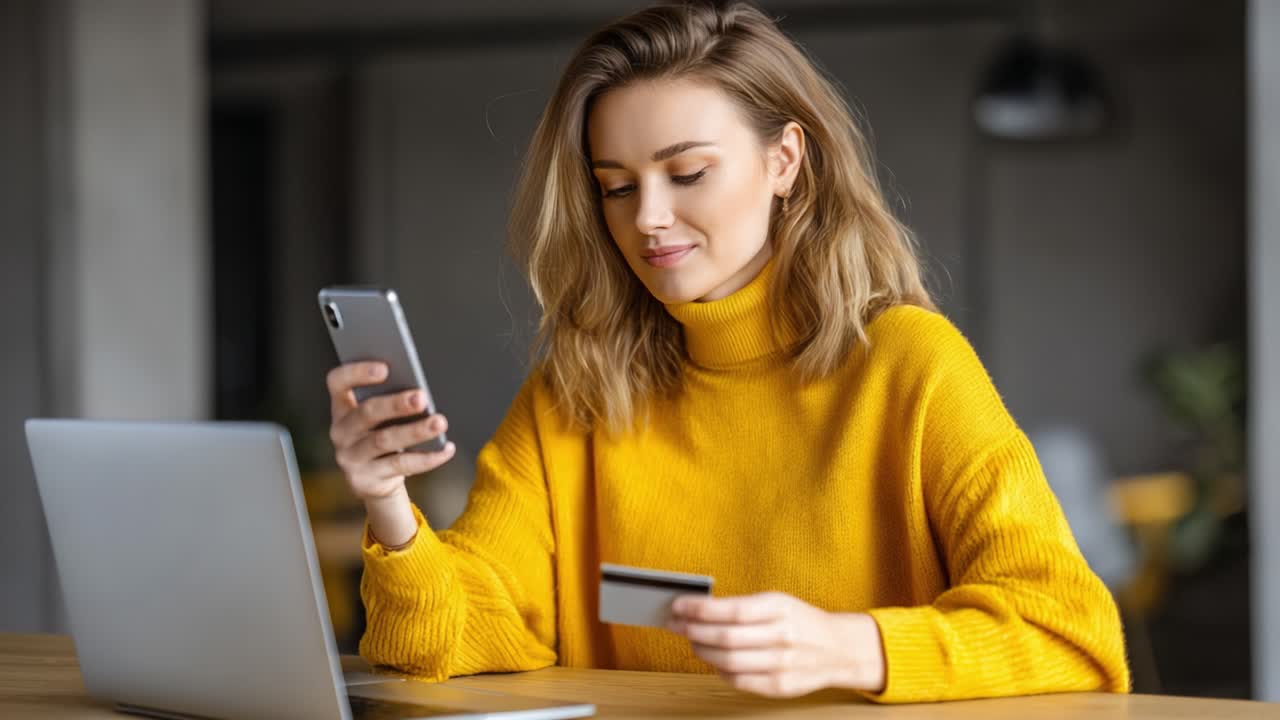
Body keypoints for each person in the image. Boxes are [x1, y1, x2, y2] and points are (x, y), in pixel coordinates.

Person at [324, 0, 1130, 704]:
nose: (647, 217)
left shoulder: (909, 365)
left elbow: (1073, 637)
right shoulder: (576, 394)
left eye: (687, 173)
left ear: (785, 161)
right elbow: (451, 638)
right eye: (617, 186)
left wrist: (851, 648)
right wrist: (389, 504)